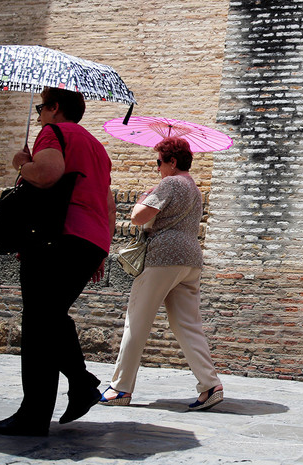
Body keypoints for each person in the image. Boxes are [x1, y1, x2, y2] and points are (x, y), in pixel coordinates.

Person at [0, 87, 116, 436]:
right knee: (50, 318)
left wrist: (20, 162)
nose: (38, 114)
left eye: (41, 108)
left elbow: (47, 174)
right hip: (90, 240)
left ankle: (38, 412)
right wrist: (102, 249)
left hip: (57, 238)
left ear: (55, 108)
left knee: (38, 323)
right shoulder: (98, 148)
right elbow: (108, 203)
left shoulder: (53, 133)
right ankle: (80, 385)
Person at [99, 137, 223, 411]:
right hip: (190, 259)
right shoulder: (194, 188)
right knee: (187, 324)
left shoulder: (170, 183)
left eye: (159, 162)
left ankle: (120, 388)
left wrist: (146, 195)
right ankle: (210, 384)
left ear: (172, 162)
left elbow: (138, 217)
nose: (157, 168)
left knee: (137, 320)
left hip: (163, 257)